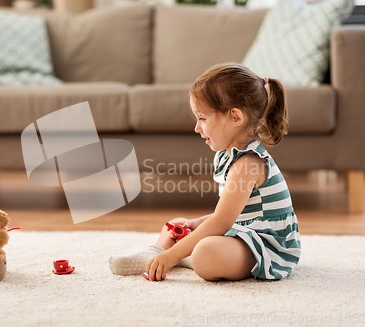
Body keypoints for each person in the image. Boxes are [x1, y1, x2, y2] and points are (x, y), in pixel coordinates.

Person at [108, 63, 301, 281]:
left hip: (268, 245)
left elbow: (221, 221)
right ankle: (155, 253)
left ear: (236, 118)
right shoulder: (228, 154)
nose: (197, 128)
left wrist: (174, 253)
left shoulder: (248, 164)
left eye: (203, 118)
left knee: (205, 253)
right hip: (244, 228)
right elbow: (235, 213)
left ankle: (176, 257)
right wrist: (197, 223)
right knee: (179, 223)